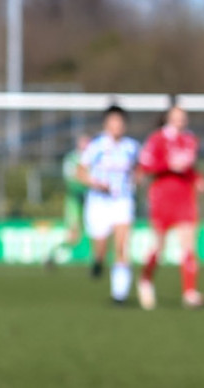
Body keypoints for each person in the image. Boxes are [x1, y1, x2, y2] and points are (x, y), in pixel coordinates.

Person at [137, 103, 204, 310]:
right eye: (176, 116)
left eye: (183, 117)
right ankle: (145, 280)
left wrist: (198, 178)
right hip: (162, 197)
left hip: (185, 197)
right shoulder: (157, 139)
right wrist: (168, 166)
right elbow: (145, 166)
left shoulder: (190, 140)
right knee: (159, 247)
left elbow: (190, 168)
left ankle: (189, 292)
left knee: (188, 245)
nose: (180, 120)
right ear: (168, 118)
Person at [76, 105, 140, 304]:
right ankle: (98, 261)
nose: (117, 126)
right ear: (106, 124)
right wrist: (95, 183)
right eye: (113, 122)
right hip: (98, 202)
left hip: (122, 201)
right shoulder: (96, 146)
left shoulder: (132, 147)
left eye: (120, 122)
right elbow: (80, 172)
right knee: (101, 248)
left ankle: (119, 294)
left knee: (122, 246)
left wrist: (137, 179)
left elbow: (141, 169)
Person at [46, 134, 90, 269]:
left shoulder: (95, 158)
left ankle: (95, 262)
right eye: (83, 142)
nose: (85, 145)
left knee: (96, 233)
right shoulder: (71, 159)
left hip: (90, 202)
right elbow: (71, 179)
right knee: (73, 236)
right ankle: (51, 256)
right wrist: (86, 181)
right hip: (75, 202)